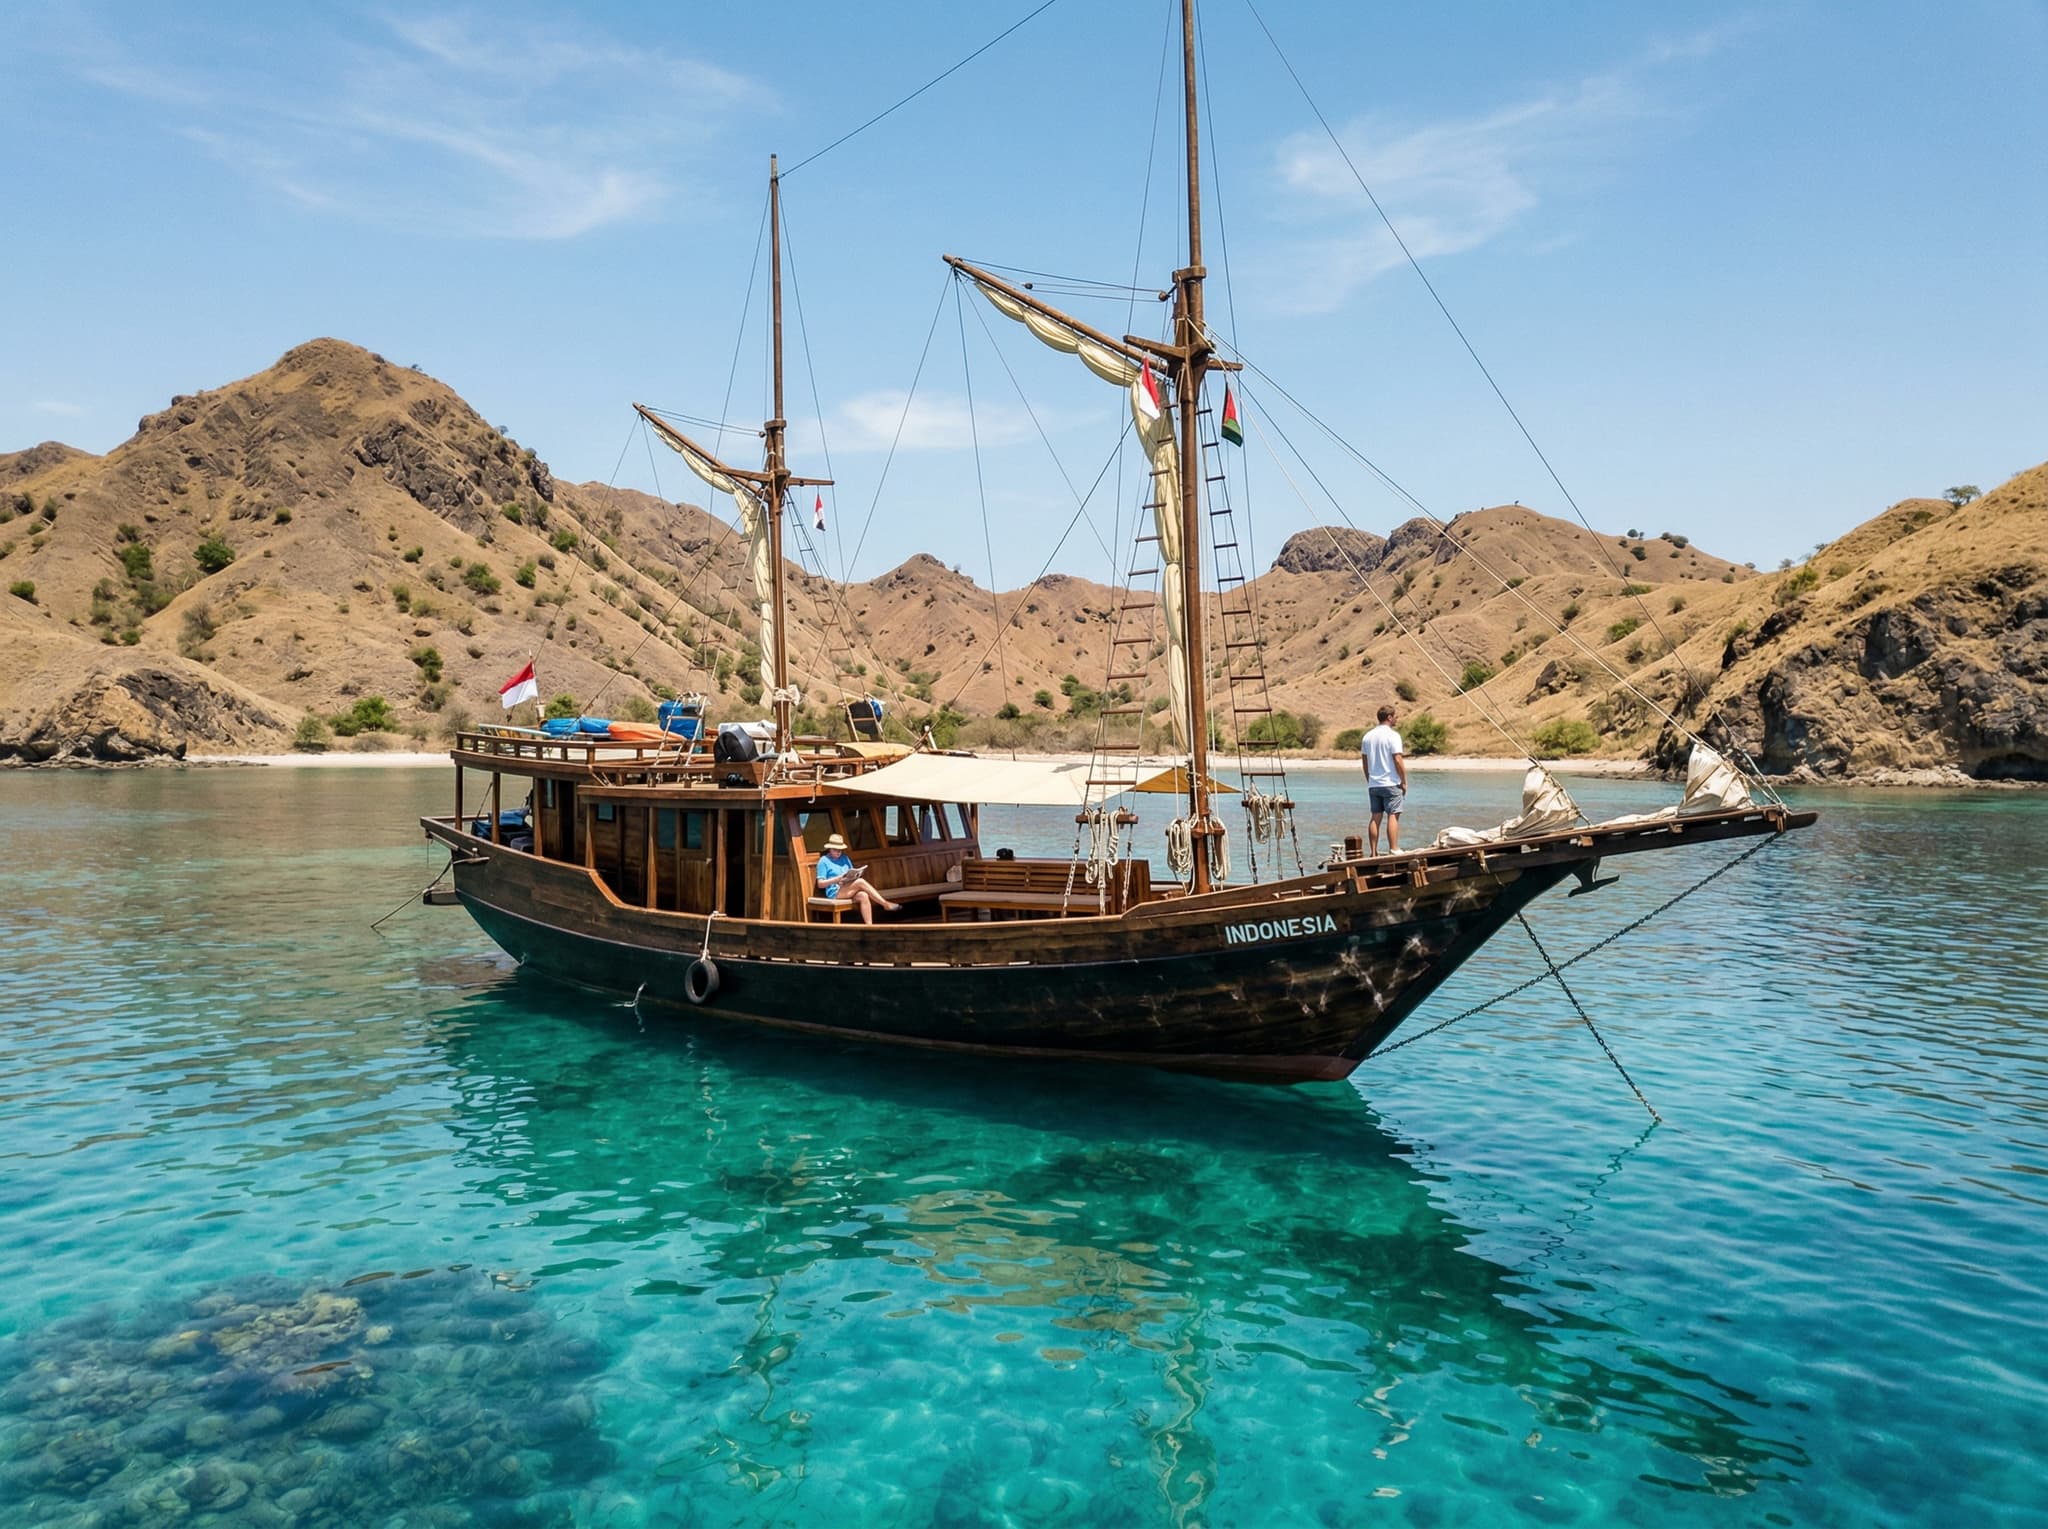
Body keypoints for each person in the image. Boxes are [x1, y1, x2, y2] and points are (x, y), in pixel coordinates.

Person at [814, 832, 899, 923]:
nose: (838, 852)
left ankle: (869, 927)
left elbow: (850, 872)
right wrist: (836, 879)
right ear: (829, 848)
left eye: (840, 850)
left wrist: (855, 875)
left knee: (863, 895)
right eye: (836, 850)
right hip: (835, 892)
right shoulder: (824, 861)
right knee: (860, 882)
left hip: (847, 887)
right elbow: (820, 884)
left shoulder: (845, 858)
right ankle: (885, 904)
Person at [1360, 704, 1408, 855]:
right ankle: (1393, 848)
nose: (1397, 719)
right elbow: (1398, 760)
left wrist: (1370, 779)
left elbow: (1365, 762)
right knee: (1393, 815)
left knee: (1375, 816)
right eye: (1395, 717)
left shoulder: (1367, 737)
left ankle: (1373, 852)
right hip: (1391, 782)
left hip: (1374, 784)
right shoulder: (1393, 736)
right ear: (1389, 717)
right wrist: (1404, 781)